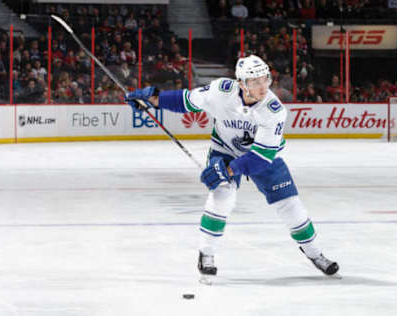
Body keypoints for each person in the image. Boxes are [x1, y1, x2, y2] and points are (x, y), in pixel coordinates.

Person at [125, 55, 339, 280]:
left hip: (263, 156)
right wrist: (154, 99)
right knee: (222, 196)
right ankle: (206, 254)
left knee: (291, 205)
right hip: (225, 150)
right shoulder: (221, 91)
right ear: (241, 83)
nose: (262, 86)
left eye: (265, 79)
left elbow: (260, 158)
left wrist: (227, 171)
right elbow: (186, 100)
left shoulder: (274, 110)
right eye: (255, 81)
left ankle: (316, 254)